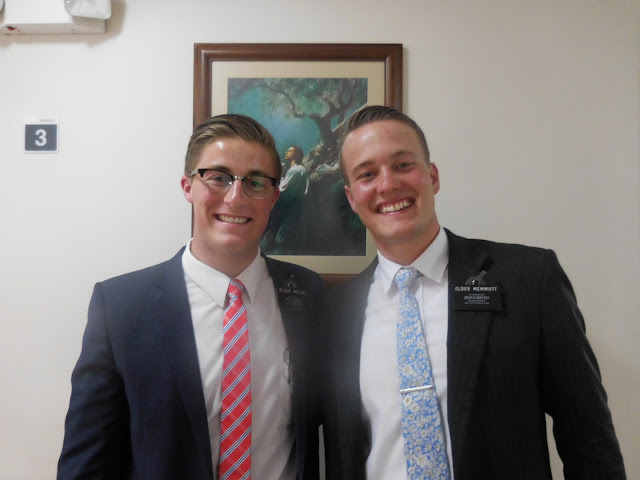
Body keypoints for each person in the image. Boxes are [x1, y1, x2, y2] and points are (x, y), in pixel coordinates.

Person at [321, 105, 626, 480]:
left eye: (403, 165)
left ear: (432, 176)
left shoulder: (529, 278)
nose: (387, 184)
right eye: (368, 174)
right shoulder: (335, 312)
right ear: (352, 198)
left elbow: (589, 438)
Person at [58, 114, 324, 480]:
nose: (235, 197)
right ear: (188, 186)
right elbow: (87, 462)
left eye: (255, 182)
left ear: (273, 197)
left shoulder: (309, 294)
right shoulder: (120, 306)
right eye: (218, 177)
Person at [262, 145, 311, 254]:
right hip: (293, 208)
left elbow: (283, 191)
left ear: (295, 155)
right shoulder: (300, 169)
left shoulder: (295, 171)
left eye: (289, 151)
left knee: (282, 238)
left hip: (290, 208)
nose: (286, 152)